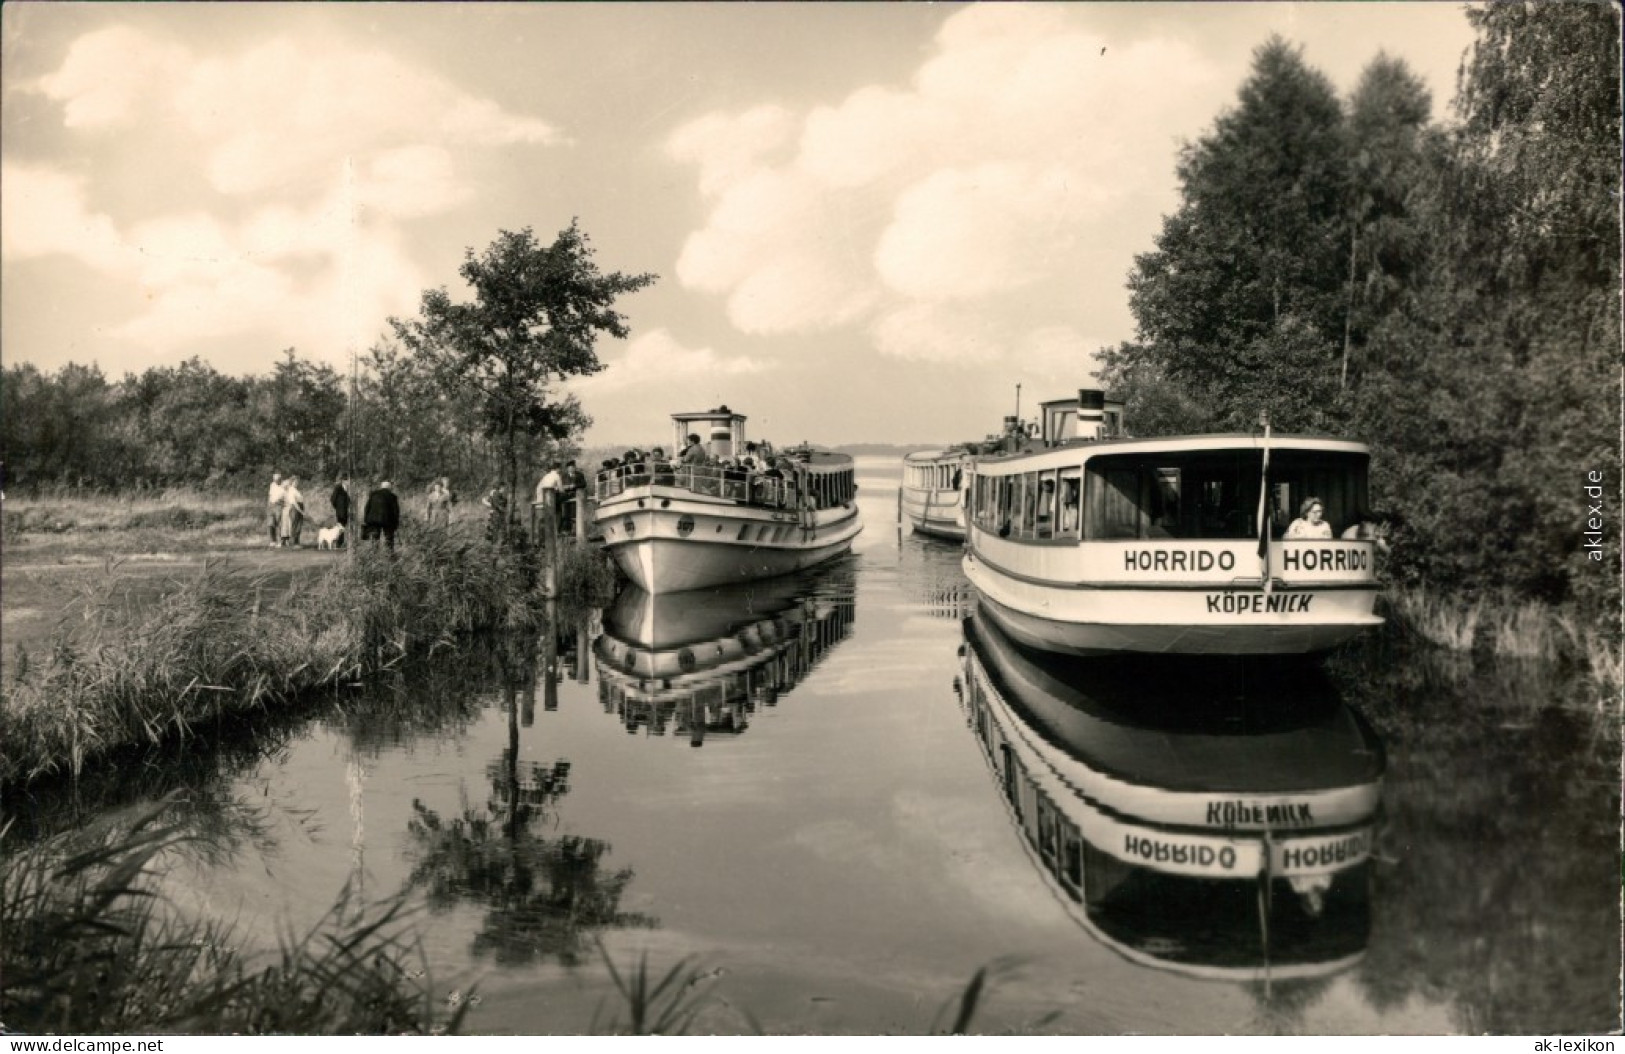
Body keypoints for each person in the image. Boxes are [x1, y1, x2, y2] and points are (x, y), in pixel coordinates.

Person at [363, 480, 401, 550]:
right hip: (388, 520)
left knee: (375, 538)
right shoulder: (392, 496)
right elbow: (396, 511)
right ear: (389, 488)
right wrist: (396, 524)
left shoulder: (373, 495)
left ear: (381, 487)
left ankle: (374, 555)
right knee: (389, 538)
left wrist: (366, 519)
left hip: (374, 520)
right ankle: (389, 555)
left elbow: (367, 508)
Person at [280, 475, 306, 547]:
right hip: (295, 509)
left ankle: (297, 542)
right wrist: (300, 511)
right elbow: (293, 502)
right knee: (295, 526)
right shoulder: (291, 490)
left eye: (298, 481)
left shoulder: (296, 490)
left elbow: (300, 500)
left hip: (299, 507)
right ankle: (294, 543)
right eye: (295, 481)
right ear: (292, 482)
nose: (297, 483)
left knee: (299, 526)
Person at [330, 477, 351, 548]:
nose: (348, 482)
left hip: (345, 511)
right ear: (343, 481)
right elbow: (332, 499)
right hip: (340, 511)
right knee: (340, 527)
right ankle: (338, 543)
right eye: (347, 480)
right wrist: (337, 507)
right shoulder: (338, 488)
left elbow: (348, 500)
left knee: (343, 527)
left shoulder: (347, 488)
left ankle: (341, 542)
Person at [267, 472, 285, 547]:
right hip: (271, 505)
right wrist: (269, 504)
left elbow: (286, 496)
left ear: (280, 479)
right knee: (270, 524)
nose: (276, 481)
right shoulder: (272, 485)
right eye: (275, 479)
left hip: (279, 505)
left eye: (277, 479)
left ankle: (280, 541)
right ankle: (272, 541)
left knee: (279, 524)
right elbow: (270, 495)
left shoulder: (284, 486)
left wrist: (282, 503)